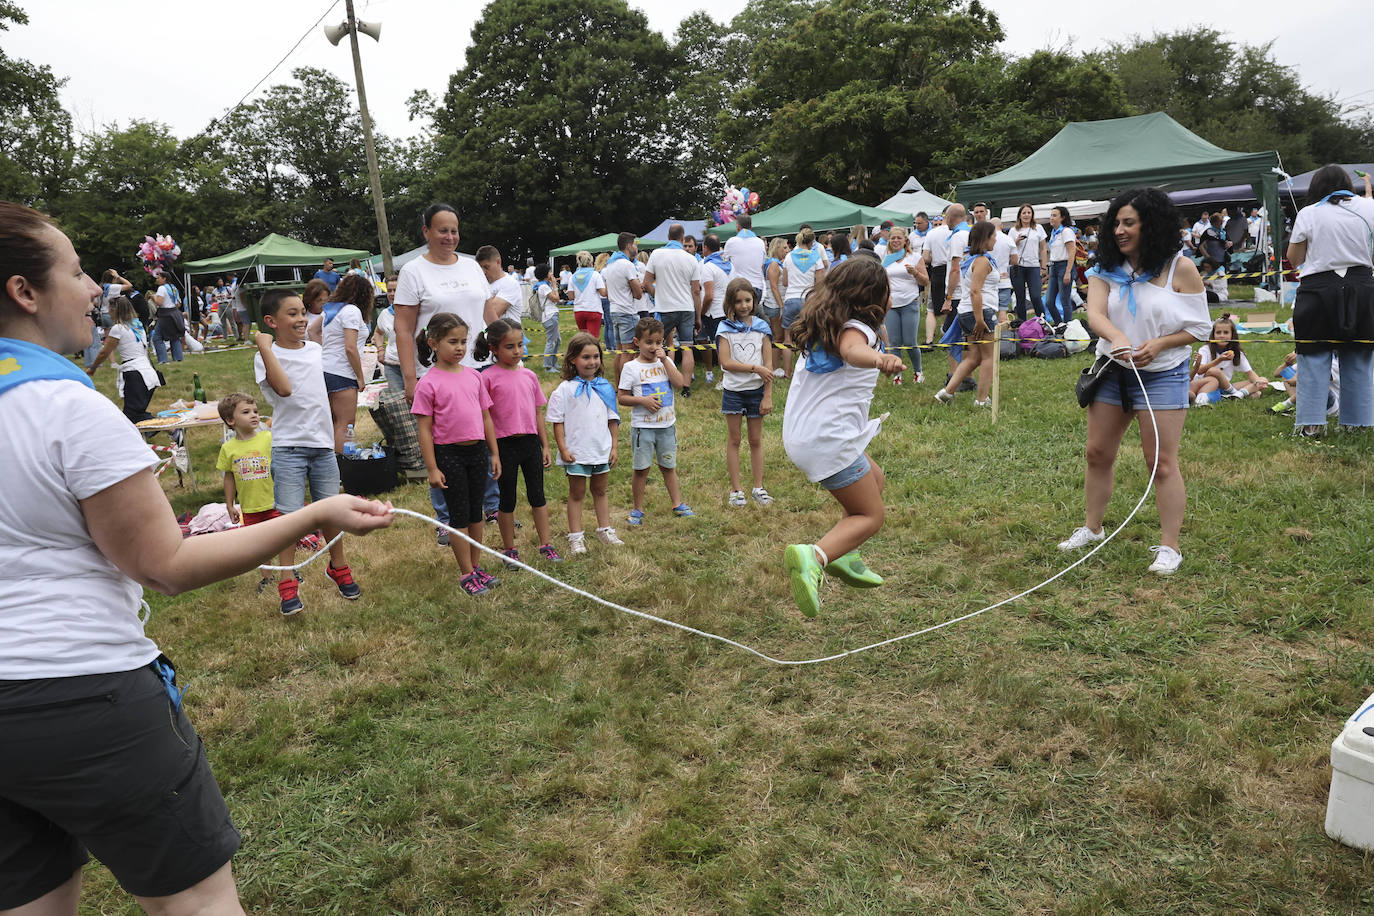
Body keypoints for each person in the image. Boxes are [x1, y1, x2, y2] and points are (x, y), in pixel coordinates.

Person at [0, 201, 393, 914]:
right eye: (77, 270)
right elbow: (165, 565)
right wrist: (317, 514)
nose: (95, 289)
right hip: (83, 695)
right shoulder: (68, 408)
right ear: (23, 292)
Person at [1058, 187, 1211, 576]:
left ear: (1151, 225)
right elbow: (1094, 315)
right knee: (1097, 453)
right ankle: (1092, 528)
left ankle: (1170, 547)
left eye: (1130, 223)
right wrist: (1118, 338)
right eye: (1116, 224)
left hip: (1163, 375)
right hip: (1112, 371)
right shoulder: (1104, 268)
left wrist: (1159, 344)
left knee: (1159, 463)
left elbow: (1200, 328)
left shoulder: (1181, 268)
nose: (1120, 231)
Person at [781, 257, 904, 617]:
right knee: (870, 515)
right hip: (829, 441)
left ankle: (845, 554)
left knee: (875, 479)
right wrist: (880, 360)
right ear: (874, 299)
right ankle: (814, 556)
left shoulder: (828, 327)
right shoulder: (857, 332)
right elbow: (854, 350)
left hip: (810, 436)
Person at [254, 289, 366, 614]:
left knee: (331, 512)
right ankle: (287, 580)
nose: (301, 318)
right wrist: (263, 345)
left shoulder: (315, 351)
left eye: (303, 311)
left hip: (321, 446)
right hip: (289, 447)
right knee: (288, 519)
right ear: (271, 322)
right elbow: (284, 389)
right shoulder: (266, 354)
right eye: (292, 314)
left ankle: (339, 567)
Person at [391, 204, 491, 539]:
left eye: (454, 230)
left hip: (478, 367)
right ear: (426, 233)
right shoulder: (413, 271)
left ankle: (487, 509)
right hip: (435, 372)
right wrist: (410, 378)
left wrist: (509, 353)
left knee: (482, 440)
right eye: (442, 230)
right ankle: (448, 519)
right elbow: (403, 328)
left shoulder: (473, 266)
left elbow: (487, 313)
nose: (450, 237)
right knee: (442, 446)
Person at [410, 311, 504, 594]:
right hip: (448, 455)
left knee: (476, 513)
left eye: (464, 341)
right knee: (459, 515)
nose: (460, 347)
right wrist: (431, 468)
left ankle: (475, 567)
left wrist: (494, 453)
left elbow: (486, 417)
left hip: (477, 453)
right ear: (433, 343)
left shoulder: (475, 377)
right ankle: (466, 573)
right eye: (453, 341)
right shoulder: (428, 383)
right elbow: (424, 429)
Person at [1285, 164, 1374, 436]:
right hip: (1361, 286)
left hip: (1318, 288)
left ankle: (1311, 426)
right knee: (1359, 355)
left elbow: (1294, 259)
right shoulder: (1370, 207)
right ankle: (1358, 426)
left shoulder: (1309, 213)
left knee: (1313, 357)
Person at [473, 318, 562, 566]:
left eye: (520, 345)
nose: (517, 351)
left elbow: (537, 413)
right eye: (509, 346)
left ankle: (546, 543)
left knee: (538, 495)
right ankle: (509, 549)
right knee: (507, 499)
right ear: (493, 348)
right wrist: (493, 453)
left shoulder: (530, 376)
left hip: (530, 445)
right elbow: (484, 417)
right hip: (504, 447)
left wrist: (544, 445)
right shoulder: (487, 378)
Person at [547, 332, 622, 554]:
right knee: (577, 493)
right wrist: (563, 449)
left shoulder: (605, 388)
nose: (592, 362)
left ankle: (604, 529)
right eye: (586, 357)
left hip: (601, 449)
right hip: (577, 452)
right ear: (573, 359)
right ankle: (576, 536)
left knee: (600, 490)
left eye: (596, 356)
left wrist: (614, 446)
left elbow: (612, 419)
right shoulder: (565, 389)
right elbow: (557, 422)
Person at [618, 316, 694, 527]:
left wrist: (665, 360)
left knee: (668, 466)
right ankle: (638, 508)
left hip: (666, 426)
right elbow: (622, 397)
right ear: (637, 342)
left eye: (658, 342)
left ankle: (677, 503)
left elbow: (680, 383)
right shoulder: (631, 368)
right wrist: (641, 400)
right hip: (644, 428)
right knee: (641, 469)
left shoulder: (665, 362)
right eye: (648, 342)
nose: (654, 347)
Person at [716, 278, 775, 508]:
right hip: (733, 391)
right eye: (738, 301)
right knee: (734, 439)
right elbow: (725, 362)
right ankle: (736, 490)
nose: (744, 305)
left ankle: (758, 487)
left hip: (756, 392)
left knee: (756, 440)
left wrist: (767, 395)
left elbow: (768, 365)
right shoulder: (724, 329)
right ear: (730, 302)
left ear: (754, 300)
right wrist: (754, 368)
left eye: (748, 300)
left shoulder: (762, 328)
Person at [935, 221, 1002, 407]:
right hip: (980, 312)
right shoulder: (982, 261)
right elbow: (975, 291)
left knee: (973, 358)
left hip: (965, 312)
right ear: (985, 239)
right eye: (993, 236)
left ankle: (946, 393)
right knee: (989, 357)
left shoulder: (970, 259)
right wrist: (980, 320)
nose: (996, 239)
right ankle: (981, 400)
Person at [641, 223, 702, 397]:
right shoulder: (691, 258)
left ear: (667, 237)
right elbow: (696, 291)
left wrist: (657, 294)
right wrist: (698, 317)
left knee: (655, 344)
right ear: (683, 239)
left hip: (665, 308)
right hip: (686, 308)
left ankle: (653, 380)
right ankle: (686, 387)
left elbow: (646, 282)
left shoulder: (657, 254)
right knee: (687, 347)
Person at [317, 273, 374, 453]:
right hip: (342, 372)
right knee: (345, 424)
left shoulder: (331, 309)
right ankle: (341, 468)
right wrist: (360, 377)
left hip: (323, 369)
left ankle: (328, 465)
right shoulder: (352, 311)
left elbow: (312, 330)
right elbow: (350, 348)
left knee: (331, 422)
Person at [86, 295, 160, 423]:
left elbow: (105, 352)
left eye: (110, 309)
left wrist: (92, 368)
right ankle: (144, 438)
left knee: (132, 416)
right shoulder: (137, 325)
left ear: (115, 310)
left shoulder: (118, 328)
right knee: (135, 414)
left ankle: (172, 430)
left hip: (135, 374)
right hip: (148, 372)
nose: (108, 312)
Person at [881, 225, 926, 384]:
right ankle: (897, 374)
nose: (895, 241)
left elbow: (925, 281)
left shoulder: (914, 257)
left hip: (910, 302)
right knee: (894, 342)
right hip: (891, 304)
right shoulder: (885, 259)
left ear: (905, 240)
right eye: (893, 238)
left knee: (909, 341)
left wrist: (915, 273)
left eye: (899, 238)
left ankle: (918, 372)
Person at [1189, 315, 1266, 405]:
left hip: (1225, 386)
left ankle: (1237, 394)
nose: (1222, 336)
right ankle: (1234, 393)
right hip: (1206, 384)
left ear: (1232, 335)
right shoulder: (1205, 349)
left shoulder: (1236, 352)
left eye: (1226, 333)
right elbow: (1199, 371)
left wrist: (1259, 382)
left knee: (1258, 384)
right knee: (1214, 371)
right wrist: (1219, 360)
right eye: (1218, 333)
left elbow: (1250, 372)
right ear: (1213, 335)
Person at [781, 227, 827, 363]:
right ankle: (811, 364)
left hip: (790, 298)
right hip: (808, 299)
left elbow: (784, 282)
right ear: (812, 242)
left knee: (788, 338)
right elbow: (820, 285)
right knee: (812, 335)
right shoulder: (816, 257)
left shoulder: (789, 257)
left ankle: (787, 373)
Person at [602, 232, 643, 381]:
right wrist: (639, 288)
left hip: (614, 310)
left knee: (619, 352)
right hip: (627, 311)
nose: (636, 247)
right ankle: (626, 387)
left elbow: (608, 291)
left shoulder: (610, 264)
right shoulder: (627, 265)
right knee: (628, 353)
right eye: (634, 244)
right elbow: (638, 294)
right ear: (628, 246)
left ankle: (618, 386)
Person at [696, 233, 730, 385]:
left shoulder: (708, 266)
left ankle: (725, 379)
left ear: (705, 248)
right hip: (727, 309)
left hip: (714, 312)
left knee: (721, 347)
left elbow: (708, 295)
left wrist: (701, 313)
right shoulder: (729, 263)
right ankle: (727, 377)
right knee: (726, 346)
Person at [1010, 204, 1047, 321]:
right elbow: (1009, 249)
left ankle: (1042, 321)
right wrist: (1016, 241)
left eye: (1029, 213)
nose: (1026, 215)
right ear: (1019, 216)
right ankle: (1022, 324)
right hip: (1017, 267)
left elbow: (1043, 248)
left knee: (1036, 296)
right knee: (1020, 297)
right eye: (1024, 213)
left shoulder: (1038, 228)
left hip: (1034, 266)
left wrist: (1043, 267)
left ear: (1032, 215)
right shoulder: (1013, 230)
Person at [760, 236, 790, 376]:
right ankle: (774, 367)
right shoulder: (773, 264)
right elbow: (773, 286)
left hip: (777, 303)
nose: (787, 250)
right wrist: (781, 305)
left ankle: (776, 366)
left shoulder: (776, 263)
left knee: (779, 337)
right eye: (784, 247)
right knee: (777, 337)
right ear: (777, 248)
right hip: (774, 304)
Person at [723, 213, 767, 305]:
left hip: (739, 287)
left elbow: (724, 264)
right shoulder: (760, 242)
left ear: (738, 227)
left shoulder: (731, 242)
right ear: (751, 227)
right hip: (757, 287)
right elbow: (762, 266)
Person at [1045, 205, 1077, 324]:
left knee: (1065, 301)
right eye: (1051, 215)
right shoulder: (1054, 232)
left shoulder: (1066, 231)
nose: (1051, 218)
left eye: (1054, 215)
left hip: (1064, 266)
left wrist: (1068, 271)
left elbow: (1072, 252)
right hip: (1054, 267)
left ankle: (1068, 327)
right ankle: (1060, 324)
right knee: (1049, 301)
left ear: (1062, 218)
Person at [477, 245, 523, 326]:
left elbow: (491, 314)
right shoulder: (481, 283)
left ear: (498, 262)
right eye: (480, 267)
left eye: (486, 267)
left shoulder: (509, 283)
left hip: (508, 336)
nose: (483, 271)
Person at [568, 250, 607, 340]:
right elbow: (603, 293)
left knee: (583, 339)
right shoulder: (595, 275)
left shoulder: (573, 276)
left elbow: (571, 297)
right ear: (591, 262)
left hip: (579, 310)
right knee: (593, 339)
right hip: (593, 309)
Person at [151, 270, 185, 364]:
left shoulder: (161, 288)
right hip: (175, 313)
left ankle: (163, 360)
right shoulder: (174, 288)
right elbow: (179, 304)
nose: (157, 279)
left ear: (164, 278)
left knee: (157, 337)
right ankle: (178, 358)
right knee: (174, 336)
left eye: (159, 278)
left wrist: (153, 296)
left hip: (165, 314)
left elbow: (159, 302)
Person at [532, 264, 562, 373]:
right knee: (551, 342)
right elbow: (556, 299)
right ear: (545, 274)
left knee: (557, 340)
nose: (552, 274)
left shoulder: (545, 285)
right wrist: (554, 286)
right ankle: (548, 367)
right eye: (550, 272)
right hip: (549, 316)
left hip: (552, 315)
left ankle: (554, 363)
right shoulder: (543, 287)